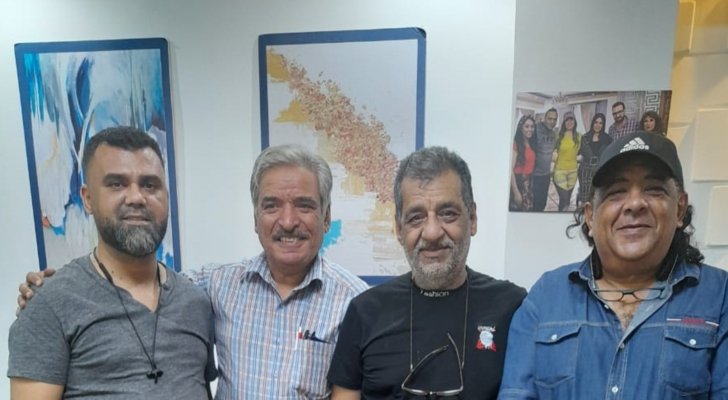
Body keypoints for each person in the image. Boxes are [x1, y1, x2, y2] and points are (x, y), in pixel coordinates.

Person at [19, 144, 369, 399]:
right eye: (271, 206)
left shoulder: (357, 303)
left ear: (326, 217)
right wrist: (52, 289)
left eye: (304, 206)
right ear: (255, 219)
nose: (288, 221)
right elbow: (142, 278)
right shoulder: (216, 285)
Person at [498, 131, 728, 399]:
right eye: (616, 192)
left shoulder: (719, 297)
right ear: (590, 216)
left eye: (654, 189)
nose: (635, 203)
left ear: (679, 209)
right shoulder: (546, 297)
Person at [8, 127, 216, 399]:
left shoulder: (195, 303)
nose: (136, 197)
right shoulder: (50, 305)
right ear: (88, 199)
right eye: (117, 184)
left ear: (166, 196)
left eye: (149, 185)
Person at [328, 146, 526, 399]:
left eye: (448, 214)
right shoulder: (365, 312)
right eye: (416, 217)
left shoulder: (513, 307)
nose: (432, 233)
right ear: (399, 229)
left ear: (472, 219)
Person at [576, 113, 612, 206]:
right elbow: (578, 153)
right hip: (585, 170)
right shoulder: (585, 137)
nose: (598, 125)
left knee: (597, 197)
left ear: (603, 125)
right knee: (585, 198)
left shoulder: (608, 139)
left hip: (599, 170)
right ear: (592, 123)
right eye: (596, 122)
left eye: (600, 123)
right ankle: (584, 213)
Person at [552, 111, 581, 212]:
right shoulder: (558, 136)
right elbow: (552, 150)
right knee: (564, 199)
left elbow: (583, 152)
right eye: (567, 120)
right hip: (560, 171)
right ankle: (560, 217)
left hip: (573, 172)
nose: (569, 122)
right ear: (564, 122)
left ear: (574, 121)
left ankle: (563, 217)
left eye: (571, 119)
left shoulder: (579, 136)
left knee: (567, 200)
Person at [532, 108, 559, 212]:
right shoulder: (535, 129)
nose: (552, 121)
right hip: (534, 175)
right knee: (533, 204)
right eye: (550, 118)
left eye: (555, 119)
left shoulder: (553, 133)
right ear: (544, 118)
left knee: (542, 203)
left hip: (546, 175)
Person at [510, 115, 536, 211]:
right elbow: (510, 170)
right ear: (521, 128)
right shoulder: (516, 144)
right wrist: (516, 192)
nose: (530, 129)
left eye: (532, 126)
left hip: (529, 183)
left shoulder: (532, 143)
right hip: (519, 183)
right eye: (527, 126)